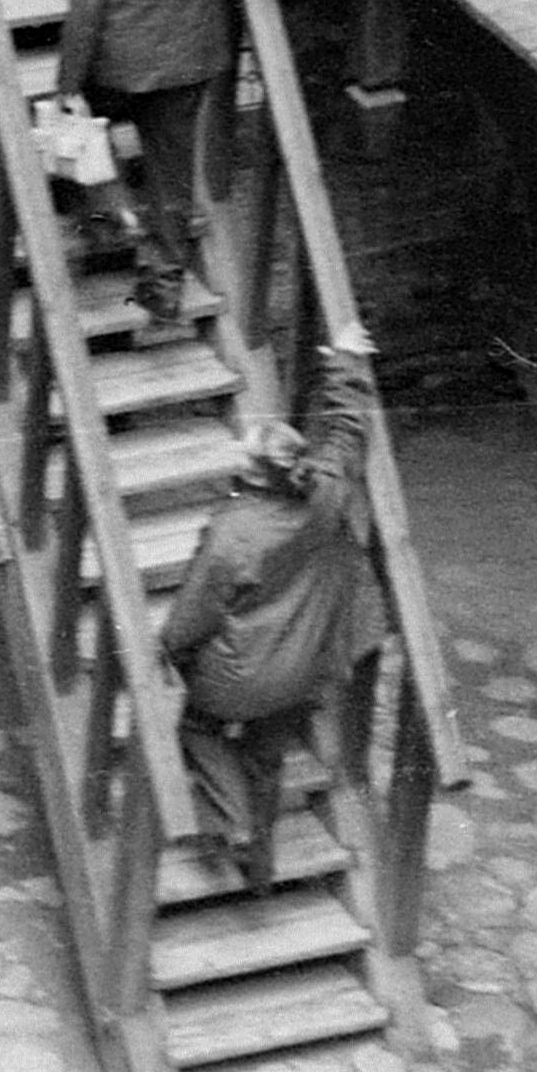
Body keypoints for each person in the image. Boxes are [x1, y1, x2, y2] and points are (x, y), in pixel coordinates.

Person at [158, 324, 385, 889]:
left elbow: (195, 616)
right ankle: (259, 865)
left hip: (238, 680)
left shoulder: (233, 533)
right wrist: (346, 363)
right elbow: (345, 433)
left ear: (253, 471)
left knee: (197, 727)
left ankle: (234, 822)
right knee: (266, 754)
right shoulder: (325, 493)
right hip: (306, 670)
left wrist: (168, 652)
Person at [53, 0, 280, 331]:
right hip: (189, 60)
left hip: (118, 65)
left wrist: (68, 84)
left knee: (80, 133)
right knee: (172, 172)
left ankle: (106, 215)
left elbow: (88, 3)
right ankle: (163, 285)